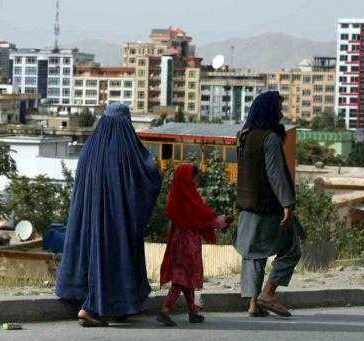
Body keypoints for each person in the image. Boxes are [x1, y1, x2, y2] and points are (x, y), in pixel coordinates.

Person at [55, 103, 161, 327]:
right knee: (112, 258)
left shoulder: (89, 148)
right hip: (115, 220)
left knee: (94, 257)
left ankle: (118, 306)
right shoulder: (125, 149)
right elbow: (146, 177)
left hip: (87, 220)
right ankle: (90, 308)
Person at [234, 90, 303, 318]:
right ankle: (269, 292)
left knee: (253, 255)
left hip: (246, 206)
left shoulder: (243, 136)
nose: (280, 113)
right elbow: (275, 174)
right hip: (267, 208)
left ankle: (253, 304)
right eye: (278, 109)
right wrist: (287, 203)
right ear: (268, 111)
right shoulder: (270, 138)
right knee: (292, 248)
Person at [157, 164, 231, 327]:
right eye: (193, 177)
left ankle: (192, 312)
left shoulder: (176, 196)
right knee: (182, 278)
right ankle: (165, 310)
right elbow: (202, 216)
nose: (195, 181)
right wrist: (219, 221)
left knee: (187, 278)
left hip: (179, 241)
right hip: (187, 244)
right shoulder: (189, 198)